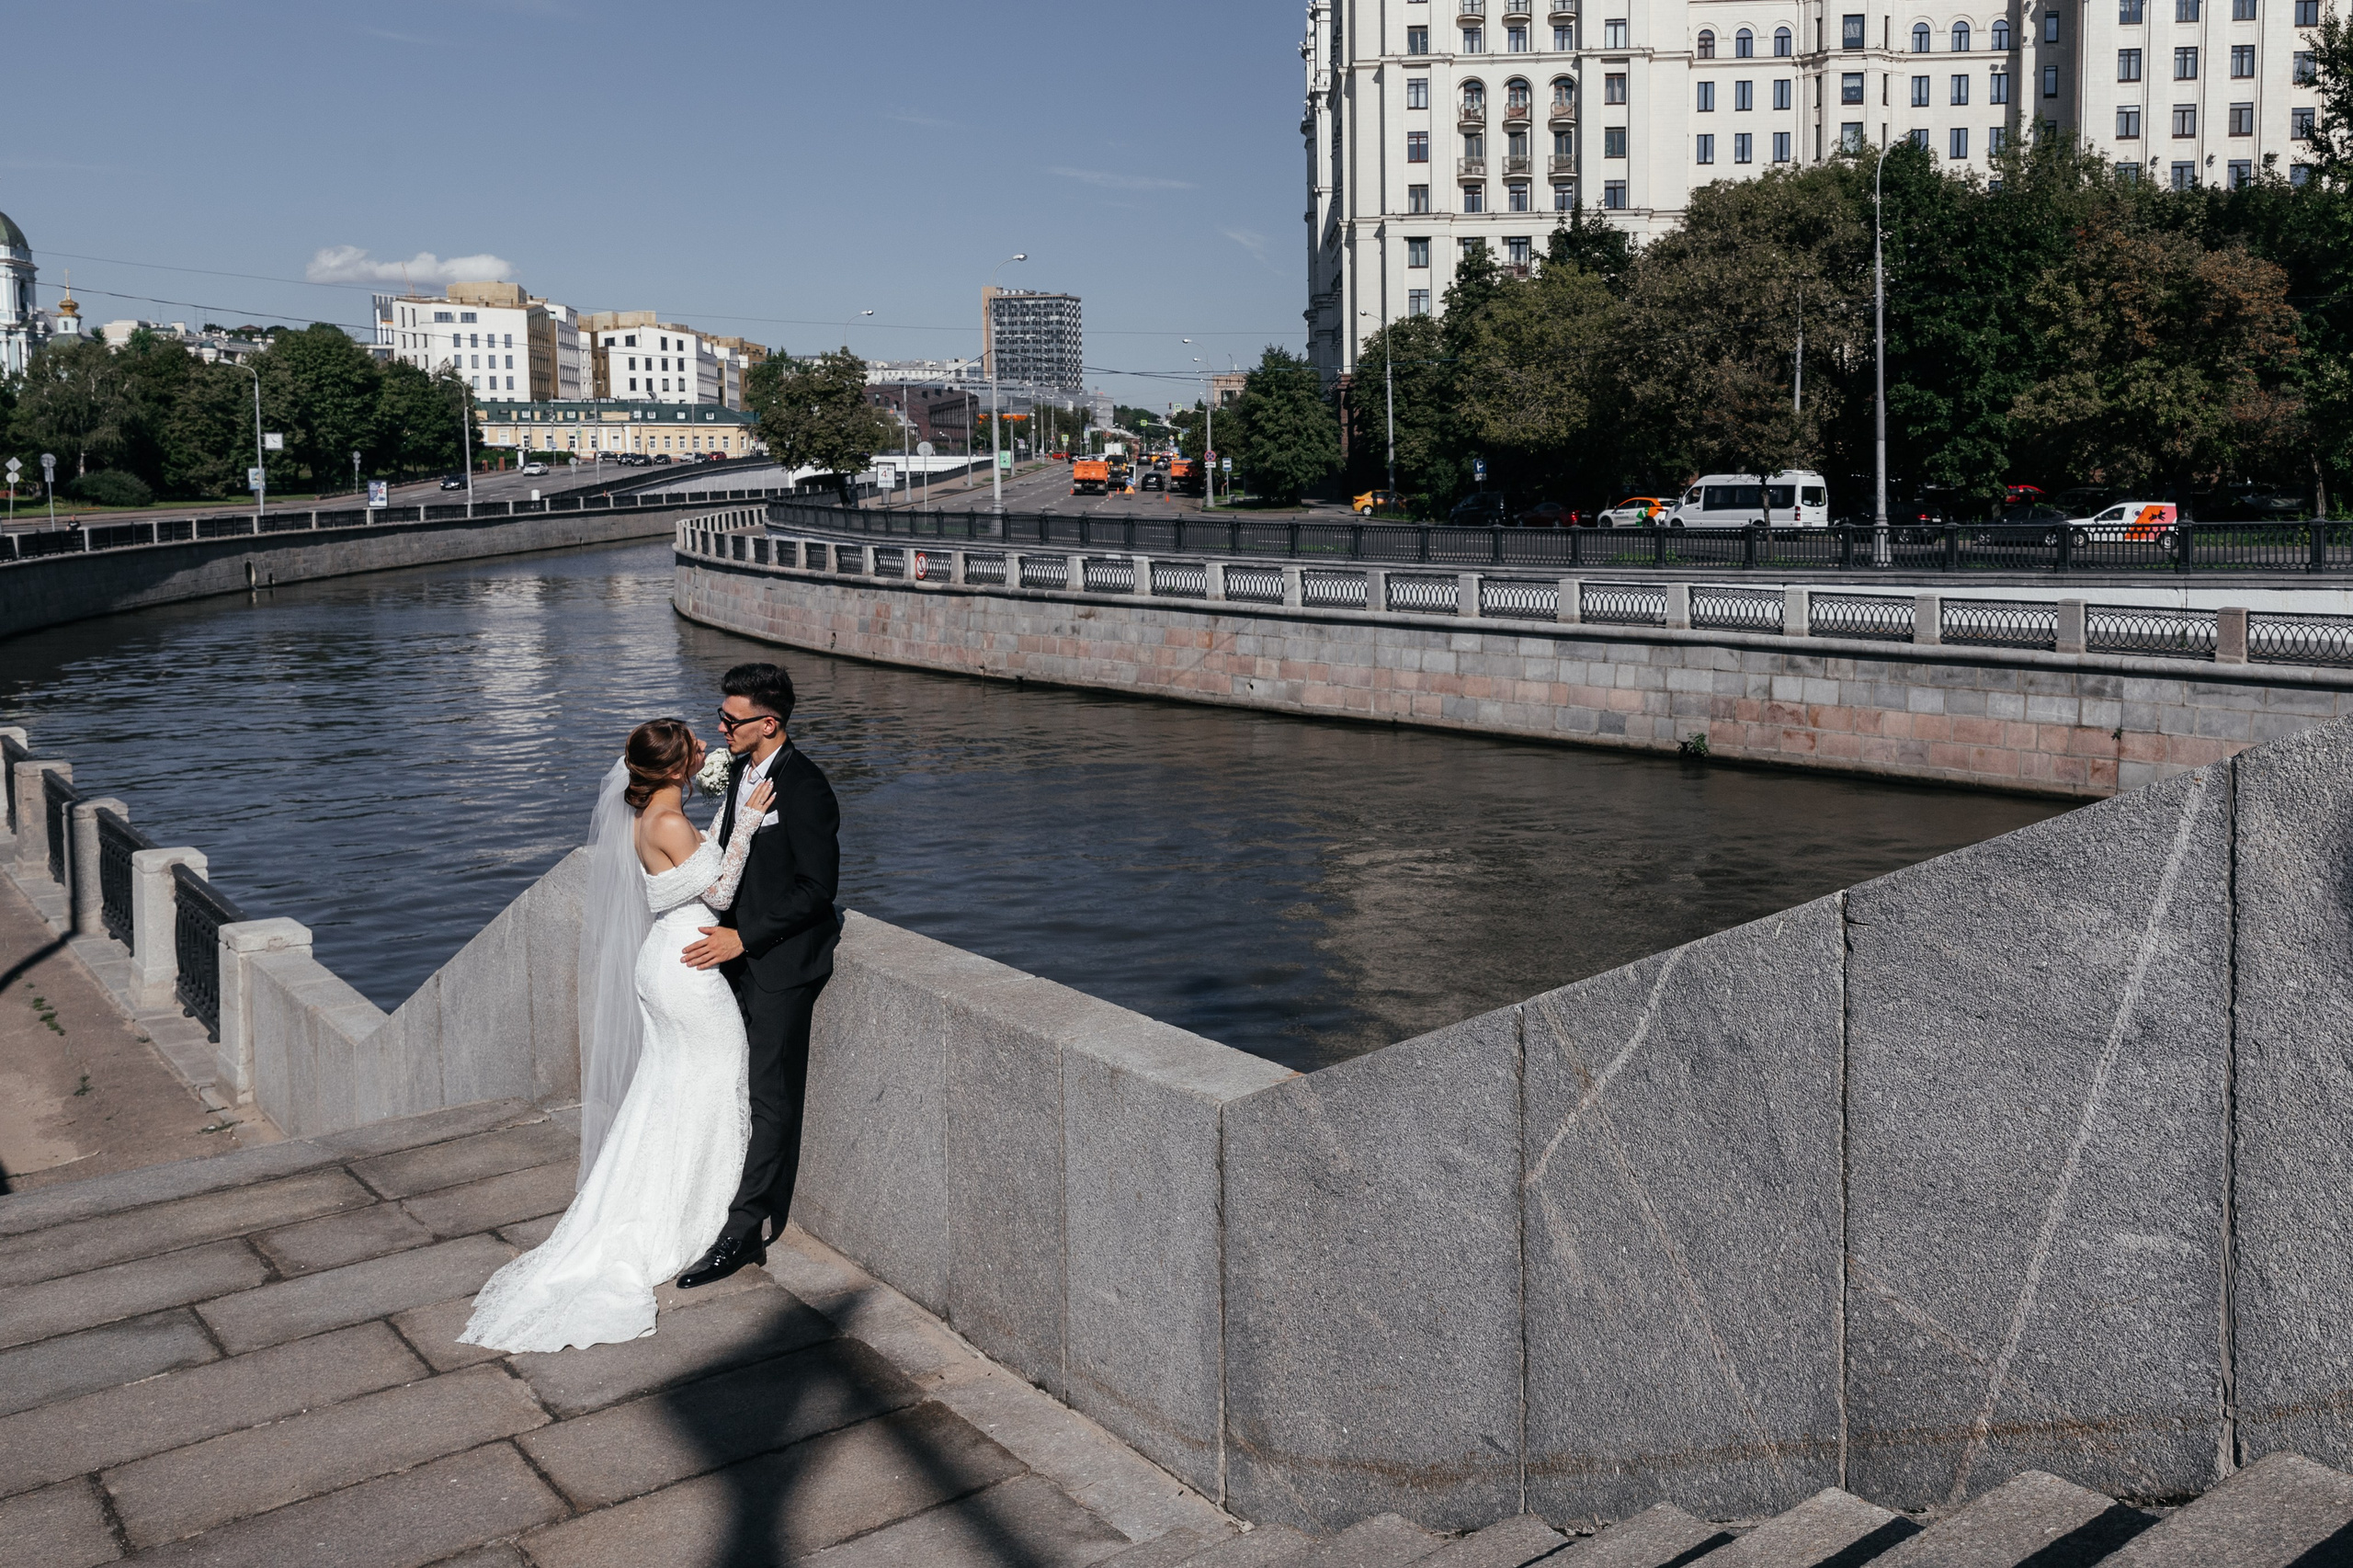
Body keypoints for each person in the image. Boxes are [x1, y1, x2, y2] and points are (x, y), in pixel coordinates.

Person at [459, 720, 772, 1353]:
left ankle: (677, 1200)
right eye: (694, 748)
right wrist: (744, 823)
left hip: (663, 960)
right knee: (714, 1075)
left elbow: (691, 869)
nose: (705, 751)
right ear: (680, 768)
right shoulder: (669, 825)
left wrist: (721, 828)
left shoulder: (648, 822)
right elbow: (720, 889)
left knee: (667, 1087)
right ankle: (695, 1215)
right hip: (690, 967)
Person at [674, 661, 842, 1290]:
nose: (720, 728)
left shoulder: (807, 787)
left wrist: (745, 937)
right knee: (728, 1087)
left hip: (777, 967)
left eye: (731, 719)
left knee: (769, 1098)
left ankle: (741, 1233)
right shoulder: (741, 772)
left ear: (769, 723)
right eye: (721, 717)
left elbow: (817, 889)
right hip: (734, 961)